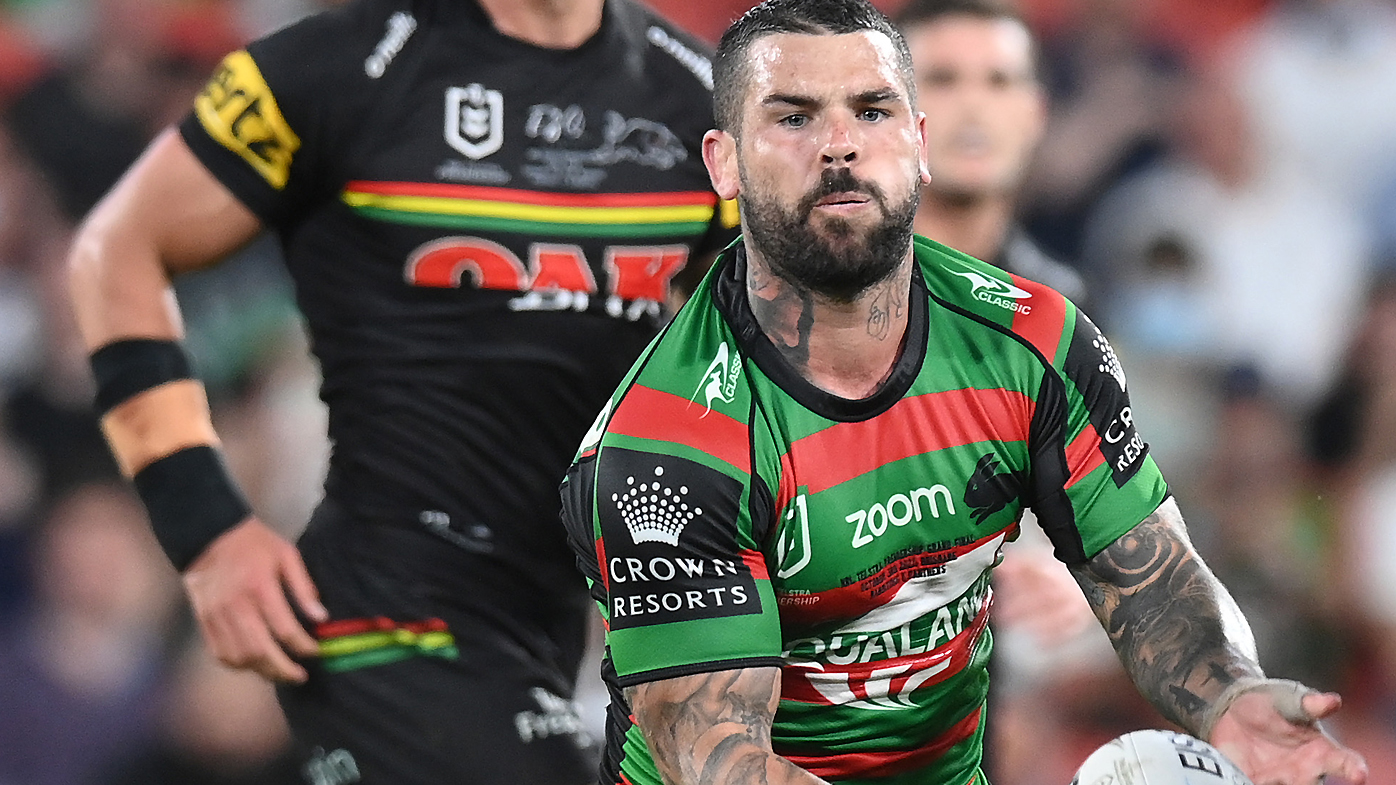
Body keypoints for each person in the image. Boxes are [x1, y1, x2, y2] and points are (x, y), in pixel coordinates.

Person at [557, 1, 1371, 783]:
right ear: (723, 162)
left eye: (872, 111)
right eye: (793, 116)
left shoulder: (1036, 341)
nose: (839, 144)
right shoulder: (663, 448)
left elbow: (1148, 573)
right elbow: (718, 762)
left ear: (919, 142)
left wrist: (1228, 691)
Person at [65, 0, 736, 782]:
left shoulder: (703, 101)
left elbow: (764, 351)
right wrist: (207, 529)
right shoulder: (331, 73)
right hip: (387, 603)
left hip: (577, 614)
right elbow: (116, 252)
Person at [895, 0, 1085, 304]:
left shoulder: (1063, 313)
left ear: (1036, 115)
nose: (974, 106)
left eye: (999, 81)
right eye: (943, 79)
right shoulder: (832, 293)